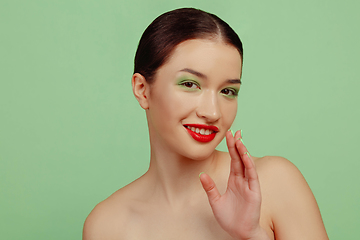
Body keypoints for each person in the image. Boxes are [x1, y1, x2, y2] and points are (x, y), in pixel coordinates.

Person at [83, 8, 329, 240]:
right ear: (142, 90)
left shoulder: (274, 183)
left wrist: (252, 235)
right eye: (190, 84)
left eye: (228, 91)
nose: (212, 112)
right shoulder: (106, 224)